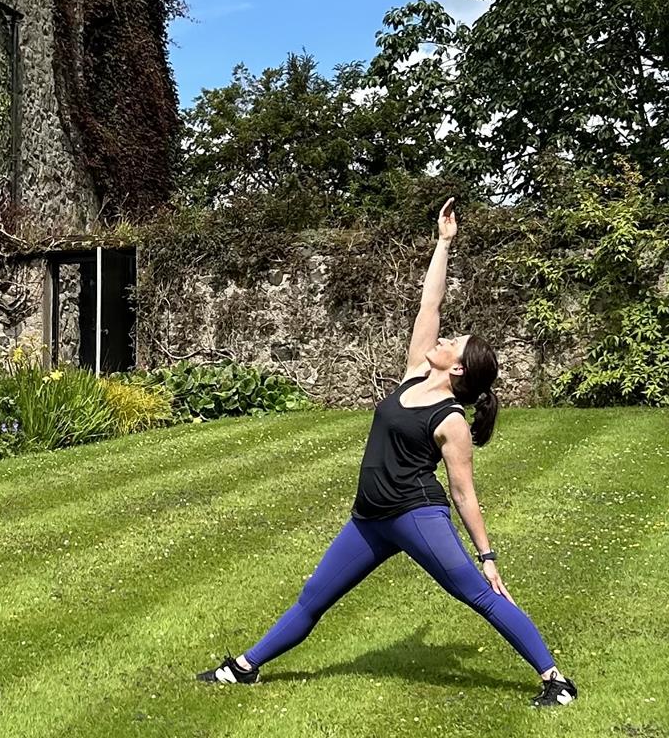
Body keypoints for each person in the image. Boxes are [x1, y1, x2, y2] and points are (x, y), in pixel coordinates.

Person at [197, 199, 578, 708]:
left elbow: (464, 493)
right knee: (313, 597)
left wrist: (487, 556)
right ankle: (243, 669)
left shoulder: (450, 421)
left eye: (453, 342)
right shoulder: (416, 374)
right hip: (370, 517)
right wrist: (443, 245)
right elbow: (430, 306)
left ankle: (556, 680)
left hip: (415, 514)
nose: (443, 338)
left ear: (459, 370)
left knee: (478, 594)